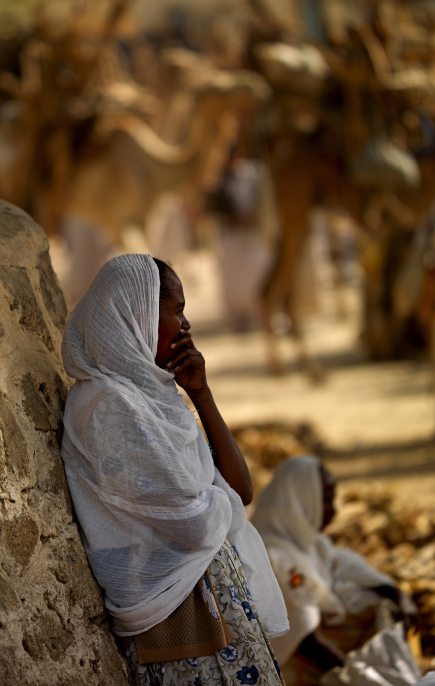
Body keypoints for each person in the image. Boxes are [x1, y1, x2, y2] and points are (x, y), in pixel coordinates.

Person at [60, 253, 289, 686]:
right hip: (177, 612)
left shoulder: (158, 398)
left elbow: (239, 490)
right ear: (138, 312)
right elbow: (195, 526)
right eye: (177, 310)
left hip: (213, 596)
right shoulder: (108, 405)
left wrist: (201, 394)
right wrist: (210, 499)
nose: (186, 325)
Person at [251, 456, 418, 685]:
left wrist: (396, 594)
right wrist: (352, 675)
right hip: (290, 667)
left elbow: (348, 566)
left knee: (374, 600)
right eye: (327, 501)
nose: (334, 511)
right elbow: (304, 635)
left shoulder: (312, 546)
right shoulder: (274, 554)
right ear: (300, 502)